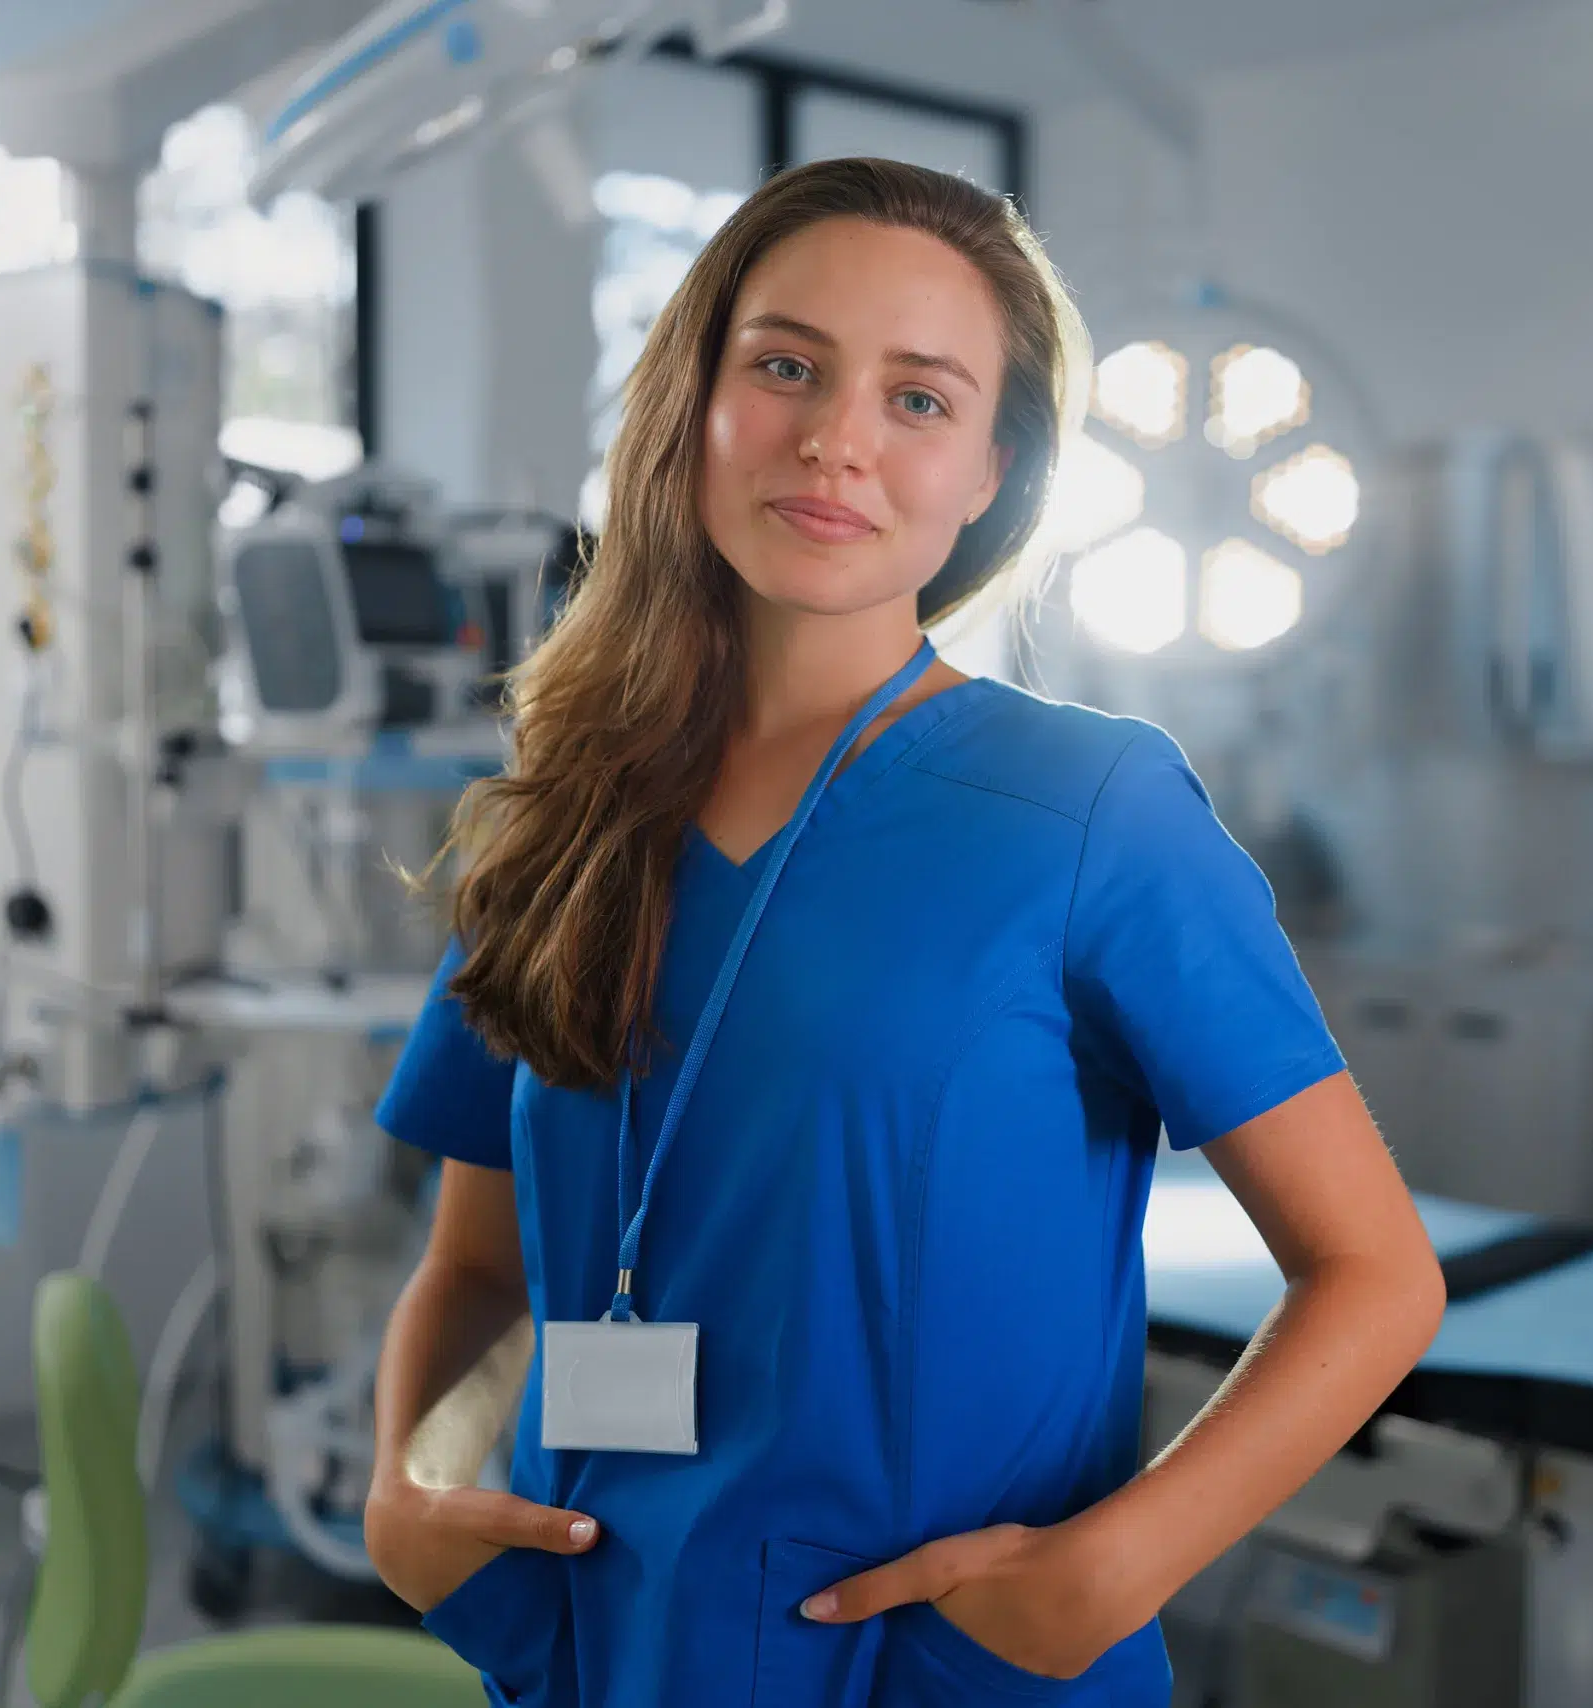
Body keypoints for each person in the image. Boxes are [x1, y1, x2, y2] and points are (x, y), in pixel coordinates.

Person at [365, 156, 1444, 1708]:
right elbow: (476, 1270)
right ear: (698, 399)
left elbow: (1373, 1273)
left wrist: (1110, 1572)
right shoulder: (563, 818)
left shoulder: (1092, 812)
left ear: (996, 467)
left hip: (927, 1664)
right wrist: (411, 1481)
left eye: (919, 399)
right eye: (786, 366)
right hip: (596, 1648)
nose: (835, 440)